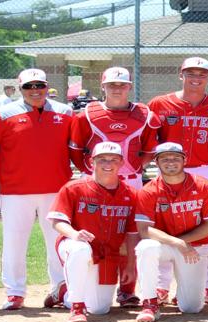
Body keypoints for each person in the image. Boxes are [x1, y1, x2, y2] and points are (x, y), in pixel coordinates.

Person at [0, 68, 73, 310]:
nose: (35, 91)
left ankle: (61, 288)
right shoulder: (2, 114)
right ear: (20, 89)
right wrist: (6, 168)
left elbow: (75, 146)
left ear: (47, 86)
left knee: (58, 241)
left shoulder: (65, 112)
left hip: (56, 189)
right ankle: (14, 292)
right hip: (15, 190)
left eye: (39, 85)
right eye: (29, 87)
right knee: (14, 241)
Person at [69, 66, 161, 305]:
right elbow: (77, 150)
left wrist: (131, 169)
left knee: (131, 234)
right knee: (97, 232)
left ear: (130, 86)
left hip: (131, 181)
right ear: (103, 86)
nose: (117, 89)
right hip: (94, 181)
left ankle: (128, 289)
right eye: (112, 85)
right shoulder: (87, 113)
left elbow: (150, 150)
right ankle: (90, 283)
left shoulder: (145, 114)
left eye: (122, 85)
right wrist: (92, 172)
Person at [149, 56, 208, 305]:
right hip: (168, 170)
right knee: (164, 222)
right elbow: (152, 140)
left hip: (205, 170)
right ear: (181, 75)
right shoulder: (160, 103)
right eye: (191, 73)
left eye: (202, 74)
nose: (196, 78)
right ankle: (161, 286)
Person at [132, 142, 208, 321]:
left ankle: (182, 294)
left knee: (192, 308)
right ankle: (149, 302)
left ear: (185, 160)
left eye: (176, 158)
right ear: (156, 163)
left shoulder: (204, 186)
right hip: (166, 246)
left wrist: (184, 242)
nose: (171, 162)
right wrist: (178, 242)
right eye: (165, 159)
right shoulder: (149, 190)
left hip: (193, 247)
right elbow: (144, 230)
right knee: (146, 247)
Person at [49, 141, 138, 322]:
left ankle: (64, 292)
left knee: (99, 308)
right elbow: (57, 221)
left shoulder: (131, 194)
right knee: (80, 249)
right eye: (102, 159)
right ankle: (76, 307)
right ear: (92, 162)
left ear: (122, 163)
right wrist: (74, 234)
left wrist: (129, 265)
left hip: (107, 254)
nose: (108, 164)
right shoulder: (74, 188)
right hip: (74, 244)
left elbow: (131, 233)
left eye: (114, 159)